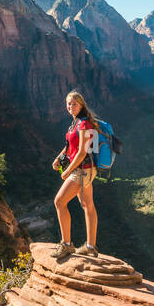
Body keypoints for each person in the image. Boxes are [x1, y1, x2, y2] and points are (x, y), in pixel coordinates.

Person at [51, 90, 99, 258]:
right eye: (69, 104)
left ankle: (66, 245)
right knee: (88, 205)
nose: (71, 107)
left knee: (59, 202)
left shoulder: (85, 124)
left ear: (81, 105)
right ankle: (90, 247)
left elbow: (81, 152)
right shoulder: (76, 123)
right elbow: (70, 146)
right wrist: (58, 158)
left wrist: (68, 171)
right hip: (84, 170)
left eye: (74, 104)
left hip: (81, 170)